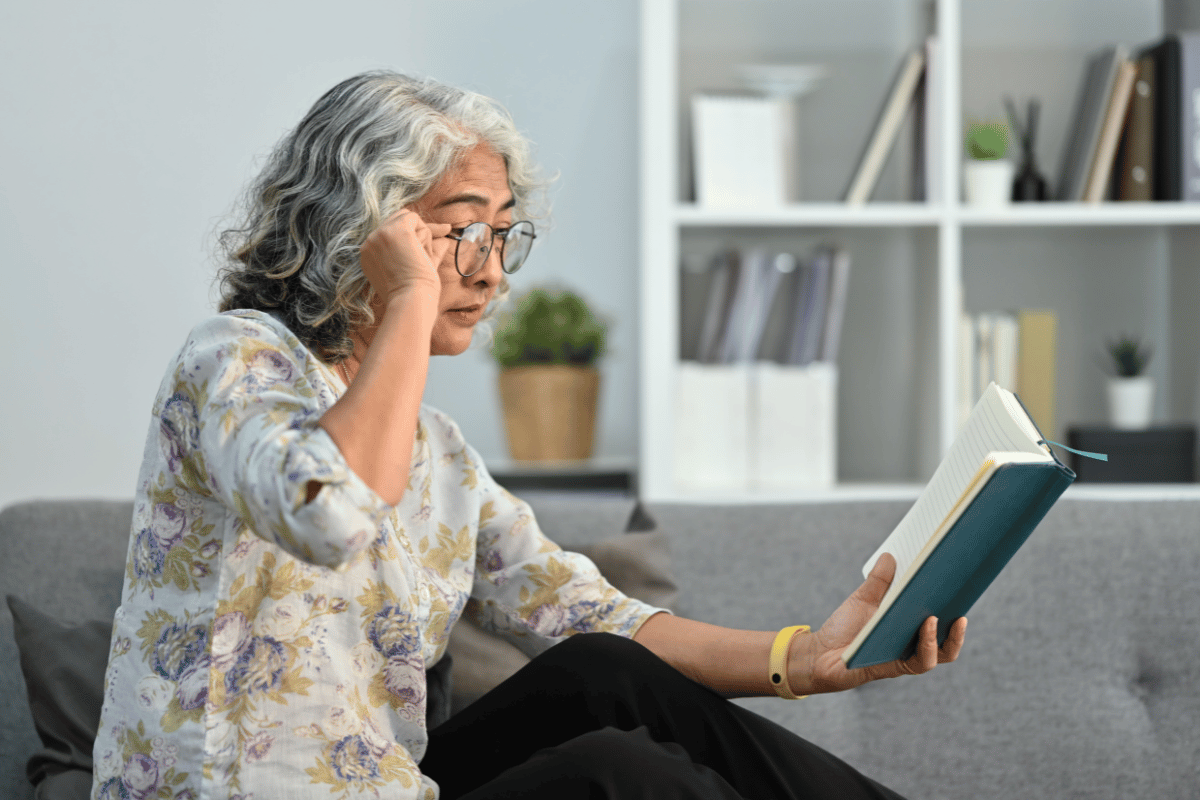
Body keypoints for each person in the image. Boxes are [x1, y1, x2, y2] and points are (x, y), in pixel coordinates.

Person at [91, 70, 967, 800]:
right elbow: (332, 512)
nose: (493, 270)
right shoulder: (234, 359)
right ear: (365, 226)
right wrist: (407, 299)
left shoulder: (439, 450)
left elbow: (595, 615)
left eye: (504, 232)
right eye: (464, 228)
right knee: (615, 775)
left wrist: (807, 657)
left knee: (602, 671)